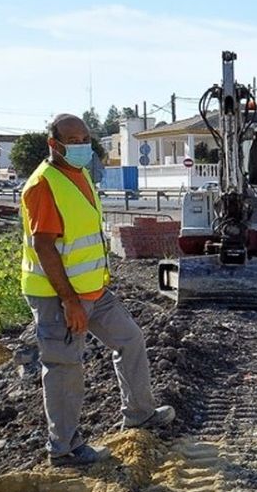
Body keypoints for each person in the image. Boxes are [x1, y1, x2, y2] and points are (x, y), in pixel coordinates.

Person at [20, 114, 174, 466]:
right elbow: (45, 247)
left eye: (84, 138)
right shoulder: (44, 184)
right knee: (64, 367)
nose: (80, 145)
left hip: (93, 291)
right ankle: (63, 449)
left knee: (130, 339)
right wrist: (70, 301)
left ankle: (139, 413)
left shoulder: (80, 174)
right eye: (72, 140)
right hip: (58, 296)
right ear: (54, 145)